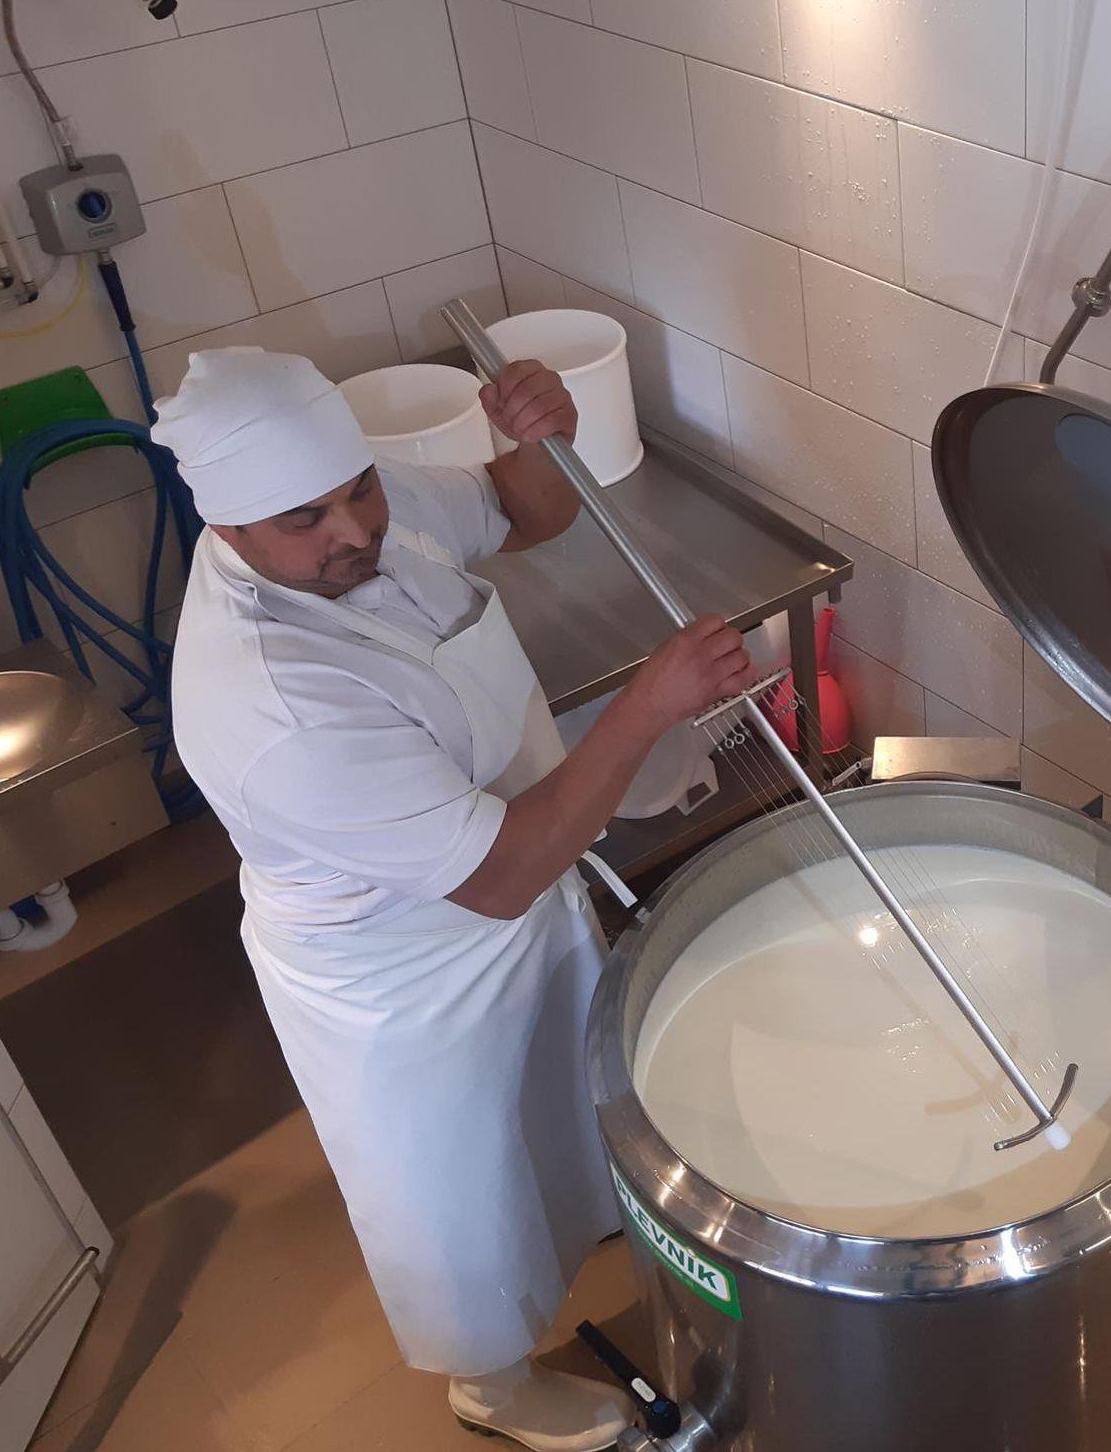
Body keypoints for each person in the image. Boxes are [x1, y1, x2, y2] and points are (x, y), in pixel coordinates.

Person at [155, 347, 751, 1451]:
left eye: (357, 491)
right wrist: (647, 705)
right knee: (457, 1189)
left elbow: (520, 513)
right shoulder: (273, 703)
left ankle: (585, 1221)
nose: (354, 531)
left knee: (559, 1099)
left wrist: (537, 437)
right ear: (228, 526)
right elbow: (497, 875)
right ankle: (493, 1386)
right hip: (404, 972)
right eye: (306, 520)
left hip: (517, 880)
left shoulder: (362, 508)